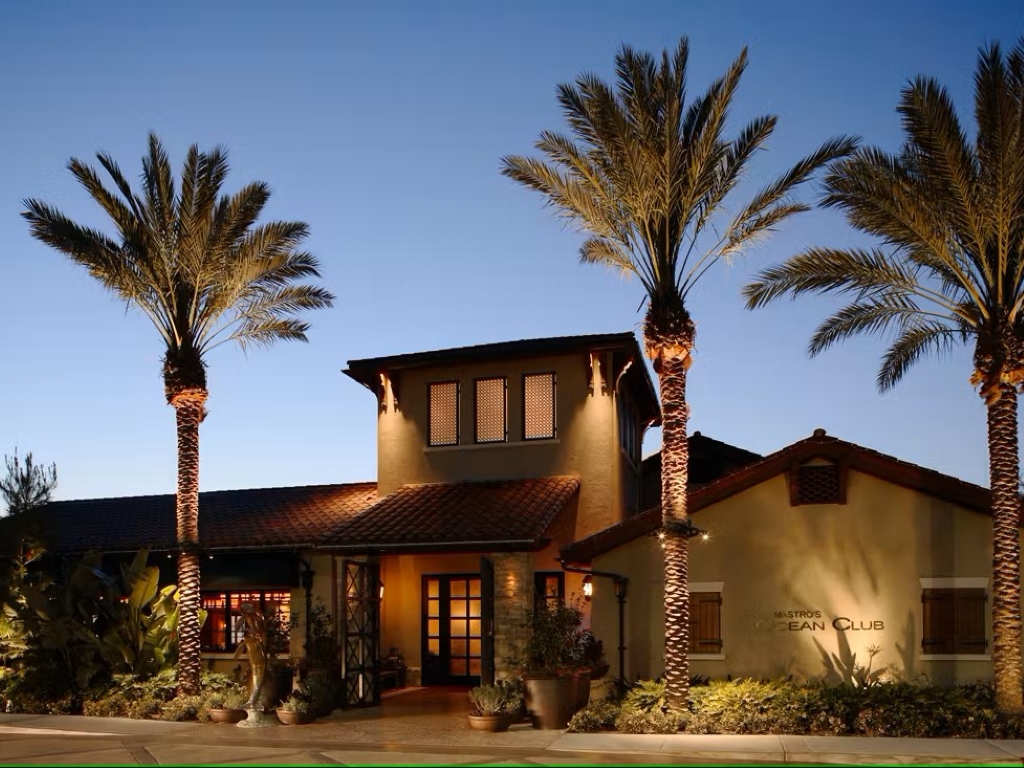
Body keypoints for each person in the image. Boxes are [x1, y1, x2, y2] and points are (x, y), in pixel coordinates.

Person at [234, 602, 268, 709]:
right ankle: (252, 701)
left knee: (258, 674)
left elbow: (237, 627)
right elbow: (237, 627)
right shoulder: (255, 618)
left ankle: (253, 701)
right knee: (257, 674)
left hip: (257, 648)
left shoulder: (256, 618)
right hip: (255, 648)